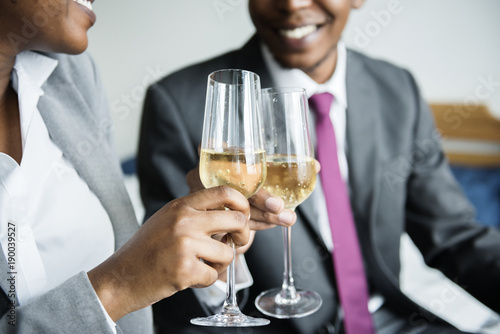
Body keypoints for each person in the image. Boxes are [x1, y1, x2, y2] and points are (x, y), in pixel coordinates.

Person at [138, 0, 500, 333]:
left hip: (396, 322)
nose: (293, 4)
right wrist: (212, 262)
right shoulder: (180, 103)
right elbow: (169, 298)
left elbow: (454, 237)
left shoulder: (397, 89)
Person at [0, 0, 290, 333]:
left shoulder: (71, 77)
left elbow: (139, 281)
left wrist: (203, 249)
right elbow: (127, 280)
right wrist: (118, 287)